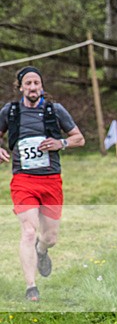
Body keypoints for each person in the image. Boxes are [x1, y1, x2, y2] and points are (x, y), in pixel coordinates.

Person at [0, 66, 85, 301]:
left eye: (36, 83)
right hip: (23, 180)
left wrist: (62, 144)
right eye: (28, 83)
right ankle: (31, 287)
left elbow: (79, 138)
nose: (33, 87)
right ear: (20, 87)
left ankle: (42, 250)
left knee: (50, 238)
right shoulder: (11, 112)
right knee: (28, 231)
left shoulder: (54, 110)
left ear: (42, 86)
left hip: (51, 180)